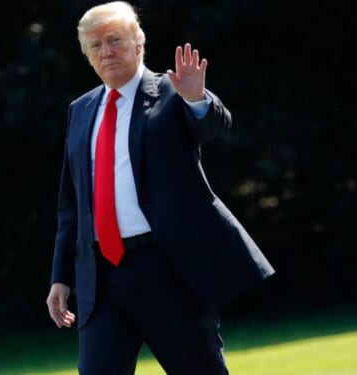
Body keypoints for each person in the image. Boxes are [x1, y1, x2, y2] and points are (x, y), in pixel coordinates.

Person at [46, 2, 275, 374]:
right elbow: (71, 206)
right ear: (87, 56)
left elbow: (213, 127)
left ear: (139, 44)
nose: (107, 51)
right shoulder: (81, 109)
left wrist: (196, 99)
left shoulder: (172, 92)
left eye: (116, 40)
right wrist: (60, 277)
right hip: (101, 279)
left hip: (167, 269)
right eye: (96, 45)